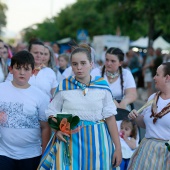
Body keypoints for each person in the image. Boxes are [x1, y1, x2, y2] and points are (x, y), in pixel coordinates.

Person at [38, 44, 122, 169]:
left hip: (98, 143)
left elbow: (110, 118)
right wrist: (57, 130)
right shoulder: (64, 86)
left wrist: (118, 148)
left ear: (91, 64)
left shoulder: (102, 86)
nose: (79, 68)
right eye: (75, 64)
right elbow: (51, 111)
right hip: (69, 141)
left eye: (83, 63)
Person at [0, 51, 51, 170]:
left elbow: (45, 126)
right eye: (18, 68)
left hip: (31, 154)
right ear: (11, 69)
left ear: (33, 72)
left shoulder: (41, 96)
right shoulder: (1, 89)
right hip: (3, 153)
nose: (22, 72)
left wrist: (44, 152)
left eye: (26, 69)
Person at [127, 62, 170, 170]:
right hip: (146, 150)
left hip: (166, 153)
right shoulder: (153, 98)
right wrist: (136, 117)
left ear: (167, 78)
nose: (154, 77)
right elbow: (145, 124)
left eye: (157, 74)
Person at [91, 47, 137, 112]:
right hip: (99, 109)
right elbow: (91, 93)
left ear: (120, 63)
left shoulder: (126, 74)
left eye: (113, 61)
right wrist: (112, 101)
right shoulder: (96, 72)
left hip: (119, 108)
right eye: (107, 60)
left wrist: (124, 102)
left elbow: (132, 94)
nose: (108, 63)